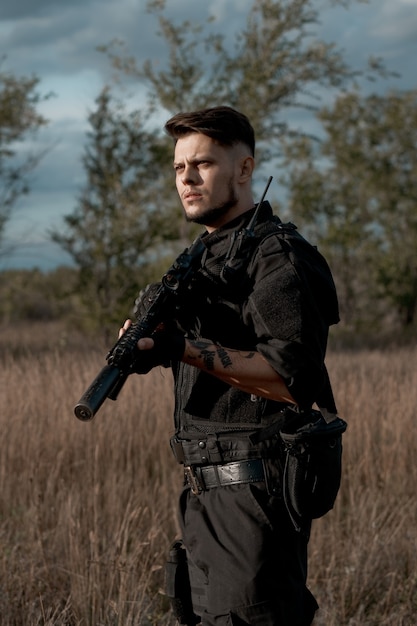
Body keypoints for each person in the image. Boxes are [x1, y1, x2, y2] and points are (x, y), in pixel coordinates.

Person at [121, 106, 340, 625]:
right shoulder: (203, 259)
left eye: (203, 164)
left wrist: (182, 347)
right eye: (179, 168)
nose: (187, 179)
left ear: (245, 170)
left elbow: (291, 378)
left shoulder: (277, 256)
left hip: (254, 497)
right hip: (201, 495)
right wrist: (147, 347)